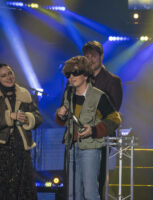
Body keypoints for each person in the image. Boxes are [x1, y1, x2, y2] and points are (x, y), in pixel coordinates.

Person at [55, 56, 121, 200]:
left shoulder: (98, 96)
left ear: (85, 75)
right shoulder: (68, 94)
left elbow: (115, 119)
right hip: (71, 147)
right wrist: (60, 115)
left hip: (90, 148)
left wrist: (94, 130)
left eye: (75, 73)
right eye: (68, 75)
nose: (71, 77)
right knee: (72, 193)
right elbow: (63, 121)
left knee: (90, 193)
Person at [0, 64, 42, 200]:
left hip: (21, 149)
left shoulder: (25, 94)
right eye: (3, 75)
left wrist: (28, 118)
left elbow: (38, 117)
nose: (8, 77)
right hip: (0, 150)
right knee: (0, 190)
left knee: (22, 189)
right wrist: (9, 116)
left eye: (10, 73)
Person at [82, 40, 123, 199]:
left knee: (96, 181)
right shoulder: (81, 79)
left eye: (93, 56)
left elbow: (114, 110)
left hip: (102, 137)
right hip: (81, 137)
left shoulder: (113, 80)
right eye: (87, 56)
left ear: (101, 57)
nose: (90, 59)